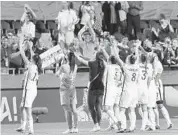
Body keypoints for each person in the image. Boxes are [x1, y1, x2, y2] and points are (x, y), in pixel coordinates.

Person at [16, 35, 42, 135]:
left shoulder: (31, 66)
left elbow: (22, 53)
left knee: (27, 109)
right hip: (33, 88)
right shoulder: (36, 67)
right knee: (22, 107)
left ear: (33, 60)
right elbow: (33, 55)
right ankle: (23, 126)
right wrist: (30, 47)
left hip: (29, 88)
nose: (30, 58)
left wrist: (21, 42)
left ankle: (30, 129)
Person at [113, 41, 140, 133]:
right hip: (135, 91)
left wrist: (113, 46)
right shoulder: (137, 66)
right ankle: (132, 126)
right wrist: (136, 47)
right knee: (132, 109)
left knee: (122, 109)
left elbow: (116, 57)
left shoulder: (126, 67)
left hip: (127, 90)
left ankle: (123, 127)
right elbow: (137, 57)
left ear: (128, 60)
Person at [75, 51, 105, 132]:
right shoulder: (103, 64)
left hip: (93, 87)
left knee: (91, 107)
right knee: (98, 106)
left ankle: (96, 125)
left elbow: (82, 61)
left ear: (95, 56)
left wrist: (76, 55)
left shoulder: (92, 63)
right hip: (101, 87)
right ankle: (98, 125)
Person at [55, 52, 79, 134]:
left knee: (67, 110)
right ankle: (76, 127)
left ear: (67, 58)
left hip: (65, 89)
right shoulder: (75, 66)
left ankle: (70, 128)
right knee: (74, 109)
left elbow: (56, 75)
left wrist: (57, 64)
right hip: (72, 88)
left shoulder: (64, 66)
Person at [103, 55, 123, 131]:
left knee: (106, 108)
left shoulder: (108, 67)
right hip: (117, 89)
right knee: (114, 107)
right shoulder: (119, 67)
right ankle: (112, 125)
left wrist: (103, 87)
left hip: (110, 89)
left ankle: (117, 122)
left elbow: (104, 78)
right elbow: (121, 80)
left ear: (110, 61)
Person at [153, 55, 173, 129]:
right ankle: (157, 124)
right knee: (153, 106)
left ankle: (169, 122)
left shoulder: (158, 64)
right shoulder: (151, 62)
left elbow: (157, 76)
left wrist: (154, 85)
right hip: (152, 84)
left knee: (159, 104)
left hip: (156, 85)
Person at [137, 54, 152, 131]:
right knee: (145, 108)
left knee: (136, 107)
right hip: (145, 88)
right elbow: (149, 79)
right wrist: (147, 87)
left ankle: (148, 124)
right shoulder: (149, 66)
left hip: (138, 88)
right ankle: (145, 125)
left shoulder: (138, 65)